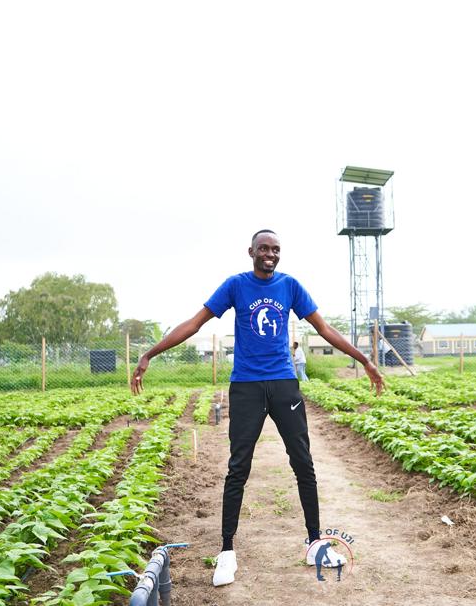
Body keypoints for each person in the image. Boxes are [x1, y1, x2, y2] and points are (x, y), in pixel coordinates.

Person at [130, 229, 384, 587]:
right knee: (238, 468)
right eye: (263, 248)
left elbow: (324, 329)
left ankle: (315, 543)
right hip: (246, 386)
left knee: (303, 462)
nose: (270, 254)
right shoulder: (235, 286)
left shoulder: (290, 286)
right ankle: (227, 552)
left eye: (275, 249)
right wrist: (149, 354)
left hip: (283, 384)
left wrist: (365, 360)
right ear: (251, 251)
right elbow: (194, 323)